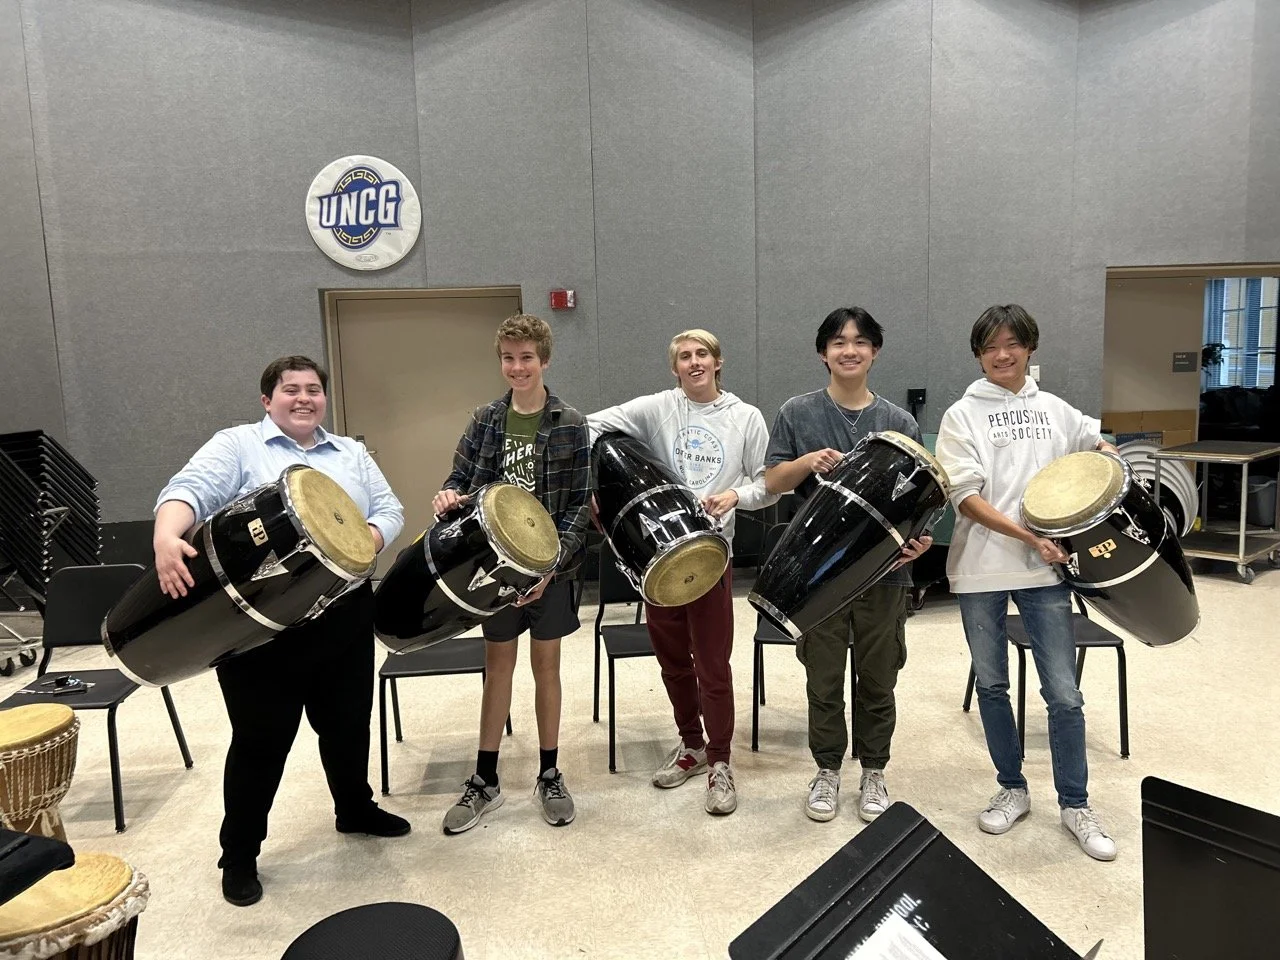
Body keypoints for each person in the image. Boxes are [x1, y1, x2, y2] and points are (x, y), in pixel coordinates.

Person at [153, 355, 409, 907]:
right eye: (290, 390)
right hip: (258, 628)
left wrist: (368, 536)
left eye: (313, 390)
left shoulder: (351, 453)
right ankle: (239, 855)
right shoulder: (237, 445)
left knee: (346, 726)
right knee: (260, 743)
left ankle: (354, 809)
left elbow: (390, 507)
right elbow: (189, 489)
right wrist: (166, 535)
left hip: (343, 613)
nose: (304, 398)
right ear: (267, 400)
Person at [934, 303, 1118, 861]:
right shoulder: (961, 415)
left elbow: (1098, 445)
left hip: (1045, 571)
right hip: (980, 568)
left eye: (1012, 344)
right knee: (991, 686)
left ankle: (1076, 803)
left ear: (1030, 348)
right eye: (990, 347)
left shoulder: (1056, 410)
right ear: (978, 355)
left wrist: (1105, 463)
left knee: (1063, 691)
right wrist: (1028, 535)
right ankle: (1012, 788)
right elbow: (963, 496)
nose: (1002, 355)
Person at [588, 329, 777, 816]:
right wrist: (597, 484)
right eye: (685, 357)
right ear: (675, 369)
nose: (694, 363)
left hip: (711, 558)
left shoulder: (745, 417)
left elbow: (768, 485)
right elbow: (587, 427)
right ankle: (691, 745)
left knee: (713, 667)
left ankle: (720, 762)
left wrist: (737, 495)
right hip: (658, 558)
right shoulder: (658, 408)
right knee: (673, 662)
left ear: (718, 362)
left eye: (703, 355)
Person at [765, 307, 931, 824]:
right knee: (824, 678)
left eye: (860, 341)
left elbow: (923, 498)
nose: (849, 350)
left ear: (875, 351)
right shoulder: (798, 412)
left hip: (886, 576)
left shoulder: (898, 422)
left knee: (879, 676)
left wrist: (921, 542)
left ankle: (875, 770)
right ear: (823, 353)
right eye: (838, 342)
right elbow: (772, 482)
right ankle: (828, 770)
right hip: (818, 578)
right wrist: (806, 463)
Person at [435, 314, 591, 835]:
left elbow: (576, 507)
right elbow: (460, 476)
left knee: (546, 669)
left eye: (526, 358)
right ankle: (485, 780)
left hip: (550, 571)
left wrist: (551, 567)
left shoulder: (569, 422)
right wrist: (448, 494)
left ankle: (549, 771)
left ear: (544, 360)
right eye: (508, 357)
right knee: (496, 667)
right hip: (495, 568)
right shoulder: (485, 419)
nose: (517, 367)